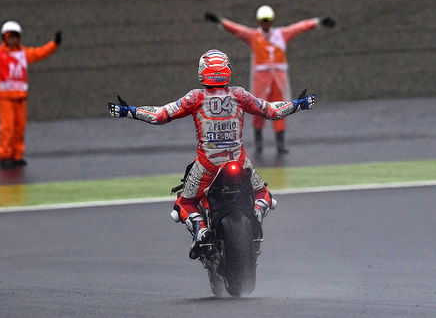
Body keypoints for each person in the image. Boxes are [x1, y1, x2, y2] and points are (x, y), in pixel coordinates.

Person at [108, 49, 315, 258]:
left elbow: (161, 115)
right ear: (228, 71)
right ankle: (256, 214)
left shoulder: (195, 97)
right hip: (239, 163)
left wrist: (129, 111)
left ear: (202, 72)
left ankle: (201, 229)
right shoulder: (239, 94)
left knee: (184, 203)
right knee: (264, 195)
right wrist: (299, 104)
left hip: (207, 166)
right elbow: (272, 110)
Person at [204, 6, 334, 154]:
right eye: (263, 21)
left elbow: (299, 28)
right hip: (261, 81)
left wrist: (318, 22)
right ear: (259, 21)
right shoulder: (253, 36)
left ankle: (280, 143)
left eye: (268, 21)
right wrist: (220, 21)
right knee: (259, 109)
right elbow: (236, 29)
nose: (266, 23)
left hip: (278, 80)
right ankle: (259, 143)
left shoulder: (281, 34)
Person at [0, 20, 62, 169]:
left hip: (20, 97)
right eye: (10, 36)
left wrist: (54, 44)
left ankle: (17, 155)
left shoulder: (24, 53)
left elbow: (41, 52)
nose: (13, 39)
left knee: (20, 127)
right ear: (4, 38)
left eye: (15, 36)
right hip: (5, 97)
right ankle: (5, 156)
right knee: (7, 128)